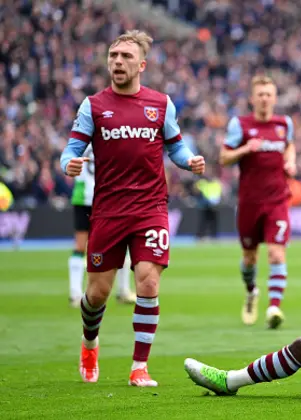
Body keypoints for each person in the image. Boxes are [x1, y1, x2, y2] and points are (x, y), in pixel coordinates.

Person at [60, 30, 205, 387]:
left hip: (151, 207)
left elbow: (176, 147)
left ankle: (139, 367)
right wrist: (69, 164)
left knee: (148, 281)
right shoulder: (93, 106)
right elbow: (71, 149)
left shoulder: (161, 104)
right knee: (96, 294)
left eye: (125, 56)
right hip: (108, 209)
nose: (118, 62)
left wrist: (190, 162)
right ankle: (90, 343)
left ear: (141, 65)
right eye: (113, 55)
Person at [220, 75, 296, 329]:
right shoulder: (240, 125)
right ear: (252, 99)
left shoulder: (284, 124)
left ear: (274, 98)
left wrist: (290, 160)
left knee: (276, 254)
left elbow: (289, 145)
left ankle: (274, 307)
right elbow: (224, 158)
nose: (264, 99)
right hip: (250, 202)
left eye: (269, 94)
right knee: (249, 258)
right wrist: (245, 150)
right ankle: (252, 292)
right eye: (260, 94)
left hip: (277, 201)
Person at [68, 143, 136, 307]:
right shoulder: (108, 132)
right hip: (106, 196)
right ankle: (123, 290)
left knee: (80, 246)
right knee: (120, 241)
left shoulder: (80, 137)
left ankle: (75, 294)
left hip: (87, 196)